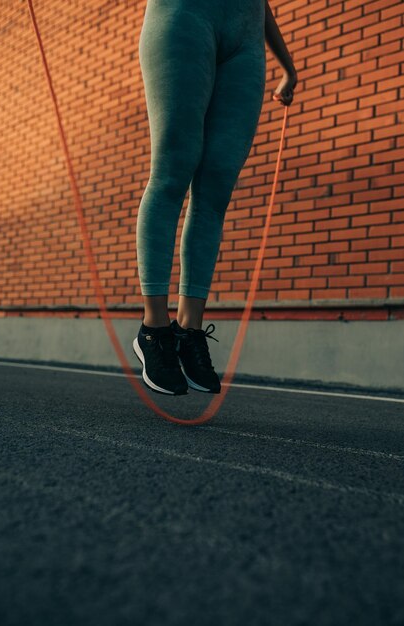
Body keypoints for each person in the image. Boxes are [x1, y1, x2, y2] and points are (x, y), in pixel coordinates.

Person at [133, 0, 298, 396]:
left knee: (215, 190)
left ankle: (189, 330)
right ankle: (154, 329)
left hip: (245, 38)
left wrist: (288, 66)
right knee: (173, 171)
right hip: (184, 17)